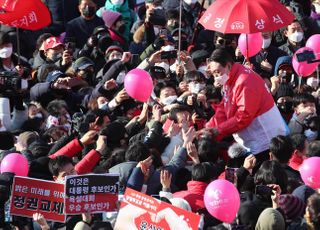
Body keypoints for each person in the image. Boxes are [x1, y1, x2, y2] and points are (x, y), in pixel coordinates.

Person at [206, 48, 288, 165]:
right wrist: (209, 128)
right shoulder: (230, 78)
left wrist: (218, 130)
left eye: (217, 72)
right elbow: (224, 108)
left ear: (228, 66)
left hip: (265, 142)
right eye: (213, 73)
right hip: (252, 141)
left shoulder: (244, 81)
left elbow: (244, 116)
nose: (216, 77)